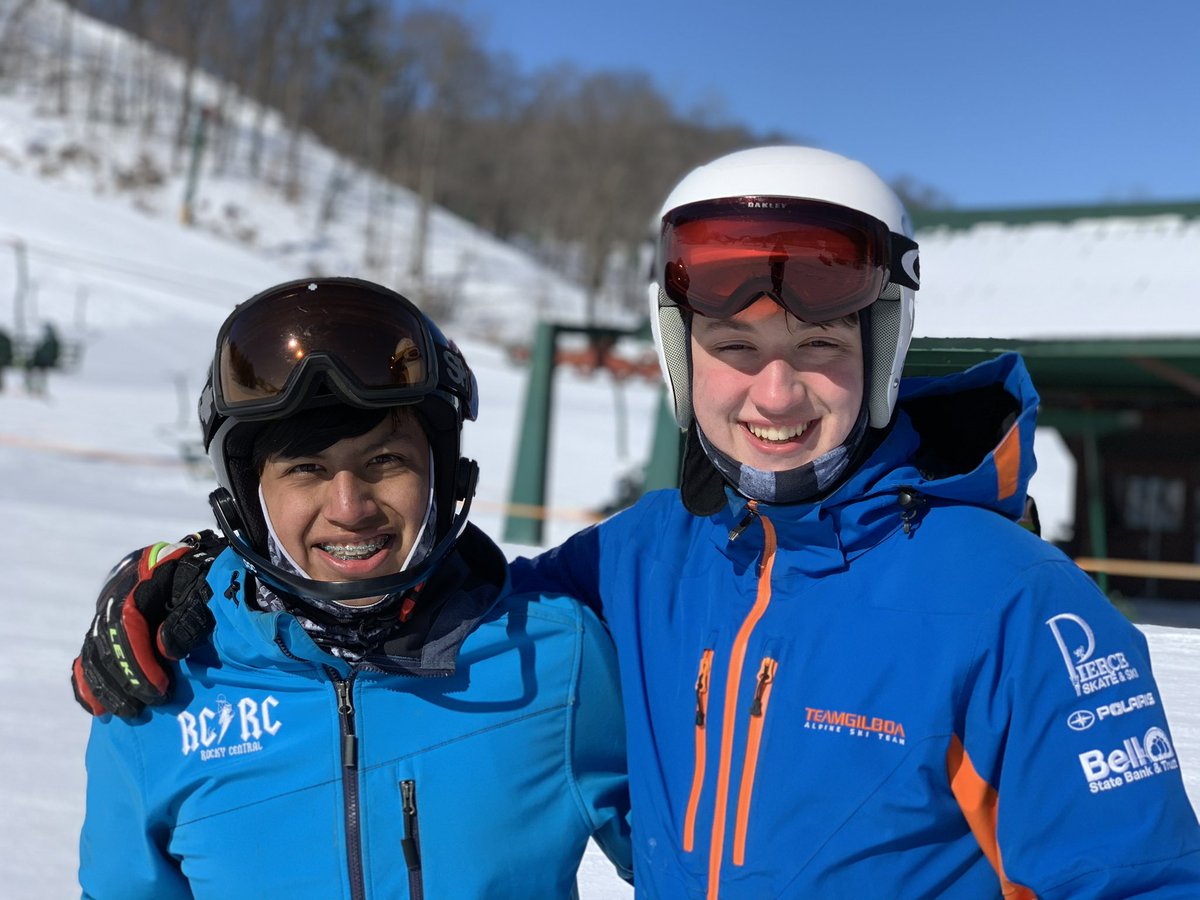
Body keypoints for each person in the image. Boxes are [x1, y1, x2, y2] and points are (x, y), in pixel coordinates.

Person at [73, 149, 1200, 897]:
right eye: (735, 350)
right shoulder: (638, 562)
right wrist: (179, 577)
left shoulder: (1013, 602)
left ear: (882, 351)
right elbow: (417, 594)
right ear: (679, 359)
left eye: (817, 350)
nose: (773, 395)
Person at [74, 277, 631, 897]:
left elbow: (703, 865)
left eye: (384, 461)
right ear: (250, 499)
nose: (349, 507)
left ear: (441, 474)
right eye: (305, 469)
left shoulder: (558, 658)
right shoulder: (161, 685)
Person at [25, 321, 61, 395]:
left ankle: (35, 388)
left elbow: (49, 354)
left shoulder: (51, 341)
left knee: (35, 370)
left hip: (45, 361)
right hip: (42, 361)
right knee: (29, 367)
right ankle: (31, 387)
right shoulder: (46, 340)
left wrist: (37, 358)